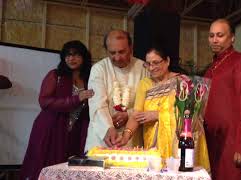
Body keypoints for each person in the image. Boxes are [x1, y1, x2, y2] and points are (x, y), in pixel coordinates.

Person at [116, 46, 211, 172]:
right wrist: (125, 136)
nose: (151, 68)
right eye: (148, 64)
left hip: (178, 145)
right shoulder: (145, 84)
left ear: (167, 61)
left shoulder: (182, 82)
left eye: (156, 63)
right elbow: (136, 114)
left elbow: (191, 115)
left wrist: (158, 115)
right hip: (153, 148)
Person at [20, 40, 94, 180]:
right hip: (51, 129)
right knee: (46, 167)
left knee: (68, 168)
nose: (71, 58)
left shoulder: (89, 78)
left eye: (76, 54)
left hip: (76, 130)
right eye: (67, 55)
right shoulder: (55, 75)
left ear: (84, 57)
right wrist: (76, 99)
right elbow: (44, 102)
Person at [204, 18, 241, 180]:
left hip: (233, 143)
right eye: (211, 35)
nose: (214, 39)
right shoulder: (211, 68)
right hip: (212, 143)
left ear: (232, 38)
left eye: (220, 35)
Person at [85, 30, 148, 151]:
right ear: (106, 51)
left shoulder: (143, 68)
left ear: (130, 48)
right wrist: (108, 128)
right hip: (102, 137)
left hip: (132, 137)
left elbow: (149, 102)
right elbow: (97, 104)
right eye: (112, 53)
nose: (117, 57)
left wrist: (128, 114)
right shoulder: (98, 69)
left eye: (122, 52)